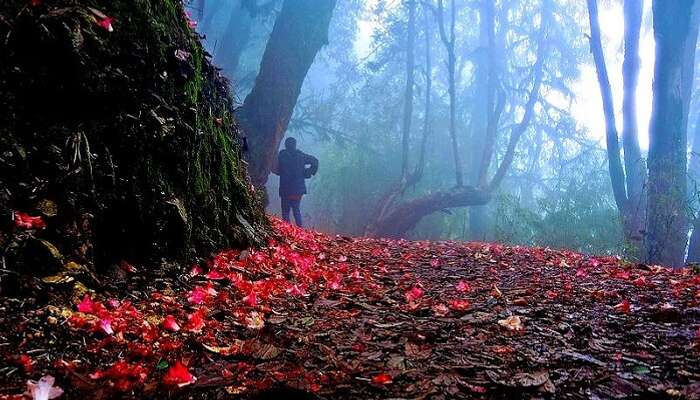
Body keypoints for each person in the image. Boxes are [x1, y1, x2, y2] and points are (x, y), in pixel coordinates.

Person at [273, 137, 318, 227]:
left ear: (286, 145)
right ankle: (299, 230)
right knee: (296, 210)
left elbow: (276, 169)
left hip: (286, 189)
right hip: (297, 189)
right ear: (295, 145)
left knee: (286, 212)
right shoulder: (301, 155)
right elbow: (315, 161)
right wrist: (308, 172)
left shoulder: (282, 155)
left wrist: (280, 171)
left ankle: (287, 231)